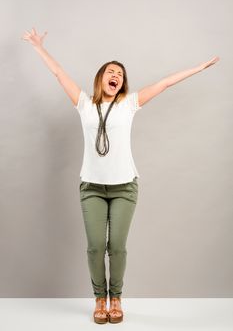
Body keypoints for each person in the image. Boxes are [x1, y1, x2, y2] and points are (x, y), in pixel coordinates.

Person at [21, 28, 220, 324]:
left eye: (121, 74)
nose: (117, 76)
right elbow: (59, 74)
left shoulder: (129, 105)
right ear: (101, 77)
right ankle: (99, 300)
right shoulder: (84, 105)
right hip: (92, 188)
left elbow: (164, 83)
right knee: (94, 247)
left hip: (125, 187)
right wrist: (38, 47)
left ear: (122, 83)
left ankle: (116, 298)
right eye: (111, 72)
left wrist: (199, 67)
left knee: (116, 247)